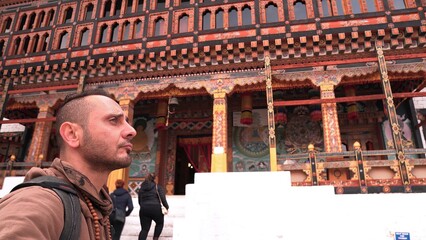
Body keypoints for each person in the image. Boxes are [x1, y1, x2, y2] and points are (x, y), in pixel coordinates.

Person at [0, 89, 137, 239]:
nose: (132, 131)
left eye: (127, 122)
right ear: (72, 134)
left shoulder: (96, 205)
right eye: (113, 120)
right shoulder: (38, 203)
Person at [138, 172, 169, 240]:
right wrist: (166, 207)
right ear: (154, 179)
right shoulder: (158, 187)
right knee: (159, 224)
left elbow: (139, 201)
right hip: (156, 208)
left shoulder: (141, 188)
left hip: (144, 209)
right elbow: (163, 199)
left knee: (144, 229)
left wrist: (143, 207)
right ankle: (155, 238)